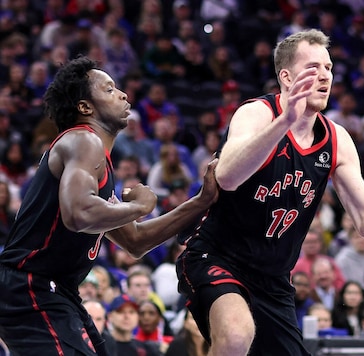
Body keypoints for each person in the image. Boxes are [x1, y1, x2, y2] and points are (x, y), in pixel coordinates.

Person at [176, 29, 364, 356]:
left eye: (329, 68)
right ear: (286, 76)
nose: (325, 75)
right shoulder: (257, 113)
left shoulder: (336, 139)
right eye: (314, 68)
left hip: (274, 279)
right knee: (237, 335)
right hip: (217, 256)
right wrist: (285, 121)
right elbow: (226, 177)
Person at [0, 57, 218, 355]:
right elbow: (78, 215)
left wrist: (202, 201)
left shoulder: (96, 160)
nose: (123, 94)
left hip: (54, 289)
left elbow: (136, 241)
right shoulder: (83, 141)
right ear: (85, 107)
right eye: (109, 89)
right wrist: (140, 206)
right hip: (29, 285)